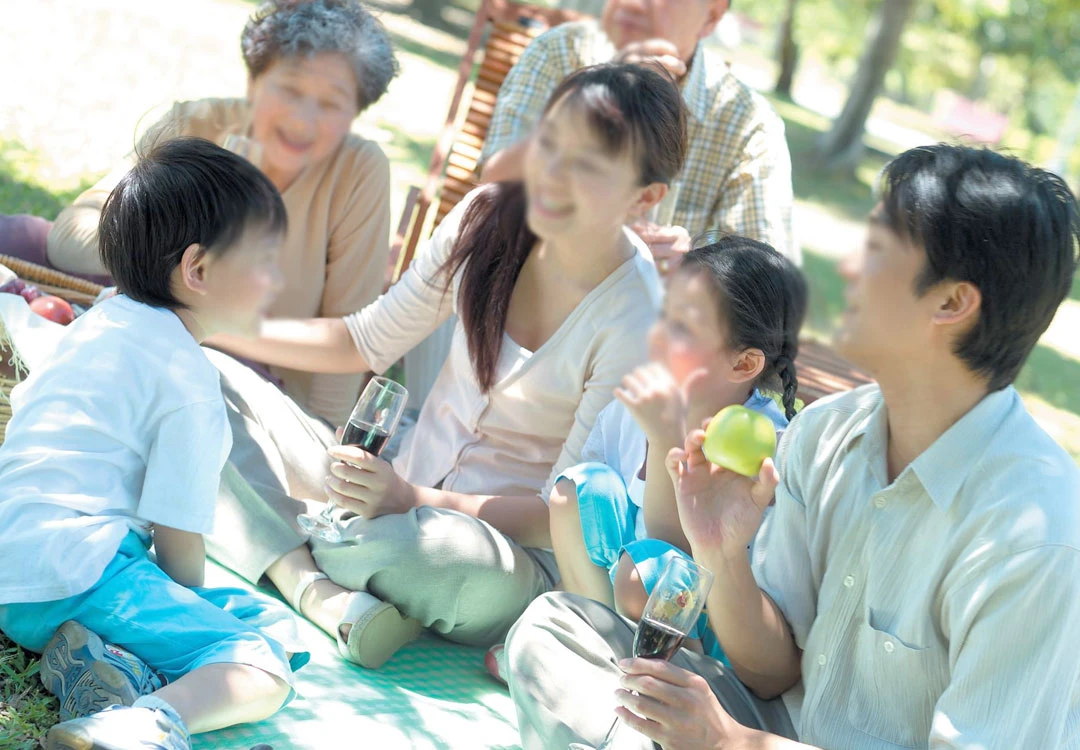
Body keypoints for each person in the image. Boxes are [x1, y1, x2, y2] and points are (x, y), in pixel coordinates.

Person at [504, 143, 1080, 750]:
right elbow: (771, 672)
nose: (849, 266)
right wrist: (721, 556)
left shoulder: (1034, 536)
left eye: (878, 249)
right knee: (556, 630)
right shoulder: (823, 434)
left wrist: (728, 743)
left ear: (952, 302)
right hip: (772, 726)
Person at [205, 62, 683, 670]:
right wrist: (213, 325)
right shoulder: (488, 216)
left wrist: (409, 500)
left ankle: (286, 540)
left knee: (423, 553)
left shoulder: (636, 317)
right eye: (549, 143)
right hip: (386, 487)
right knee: (208, 381)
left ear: (645, 197)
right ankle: (324, 592)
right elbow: (366, 338)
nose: (552, 176)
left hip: (494, 556)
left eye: (587, 165)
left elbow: (555, 513)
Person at [0, 138, 306, 750]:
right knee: (262, 667)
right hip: (76, 574)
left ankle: (105, 666)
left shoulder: (104, 319)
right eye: (265, 261)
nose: (279, 279)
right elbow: (180, 541)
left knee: (271, 622)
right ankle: (137, 726)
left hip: (20, 562)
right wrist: (187, 611)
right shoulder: (188, 378)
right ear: (196, 270)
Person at [41, 0, 398, 426]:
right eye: (290, 89)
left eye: (332, 103)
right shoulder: (195, 124)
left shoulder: (359, 171)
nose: (304, 120)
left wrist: (321, 438)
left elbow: (347, 340)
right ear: (253, 82)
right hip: (140, 359)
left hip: (258, 400)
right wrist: (186, 288)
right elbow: (68, 237)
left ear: (356, 112)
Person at [550, 237, 805, 653]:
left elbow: (676, 564)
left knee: (640, 577)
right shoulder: (633, 410)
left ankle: (620, 670)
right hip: (625, 598)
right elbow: (585, 538)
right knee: (577, 490)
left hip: (708, 633)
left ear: (744, 364)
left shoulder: (764, 450)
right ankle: (583, 644)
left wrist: (665, 438)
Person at [480, 0, 798, 270]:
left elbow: (766, 284)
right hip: (519, 297)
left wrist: (689, 271)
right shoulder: (559, 52)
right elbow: (491, 195)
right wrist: (598, 97)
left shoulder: (749, 126)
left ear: (711, 17)